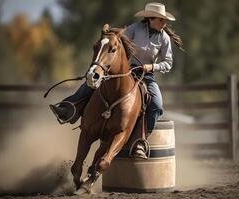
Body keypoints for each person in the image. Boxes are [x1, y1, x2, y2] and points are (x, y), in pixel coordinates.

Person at [50, 2, 183, 158]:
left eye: (164, 20)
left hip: (146, 75)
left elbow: (167, 63)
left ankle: (140, 141)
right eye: (161, 20)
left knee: (157, 104)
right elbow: (117, 43)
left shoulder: (164, 38)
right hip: (125, 70)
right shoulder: (135, 28)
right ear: (150, 19)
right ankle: (68, 109)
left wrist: (151, 67)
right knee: (93, 82)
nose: (164, 23)